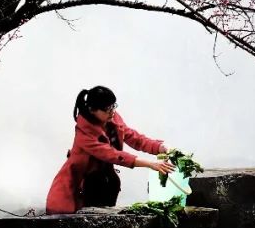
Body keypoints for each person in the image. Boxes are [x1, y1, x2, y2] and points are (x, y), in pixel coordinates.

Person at [45, 86, 175, 214]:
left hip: (107, 179)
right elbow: (110, 154)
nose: (112, 111)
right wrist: (151, 164)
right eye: (107, 109)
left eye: (114, 106)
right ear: (92, 110)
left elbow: (133, 137)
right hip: (84, 185)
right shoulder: (83, 133)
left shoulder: (112, 117)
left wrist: (160, 147)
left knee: (111, 182)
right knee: (95, 189)